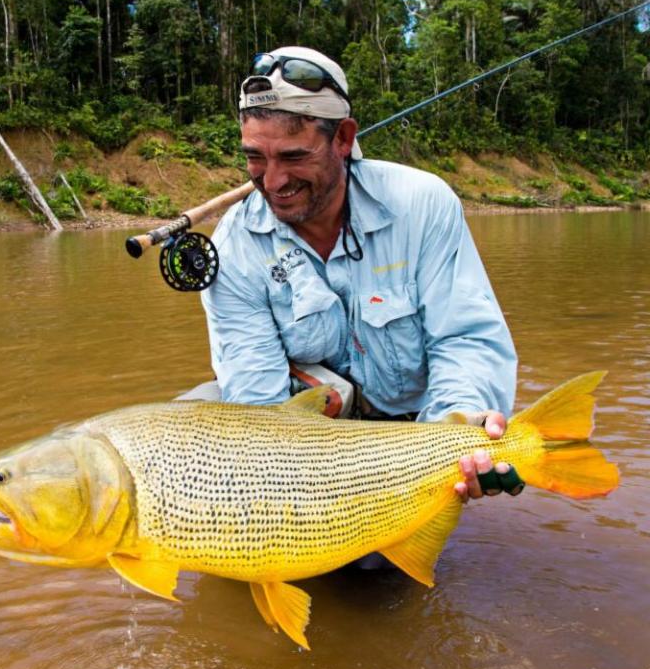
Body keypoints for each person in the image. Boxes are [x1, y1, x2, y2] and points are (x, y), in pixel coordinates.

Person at [198, 45, 520, 504]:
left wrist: (457, 434)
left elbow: (463, 339)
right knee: (191, 423)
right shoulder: (233, 246)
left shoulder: (423, 204)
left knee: (375, 569)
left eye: (293, 157)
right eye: (255, 158)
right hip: (305, 440)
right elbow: (258, 401)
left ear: (343, 139)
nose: (272, 182)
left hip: (410, 437)